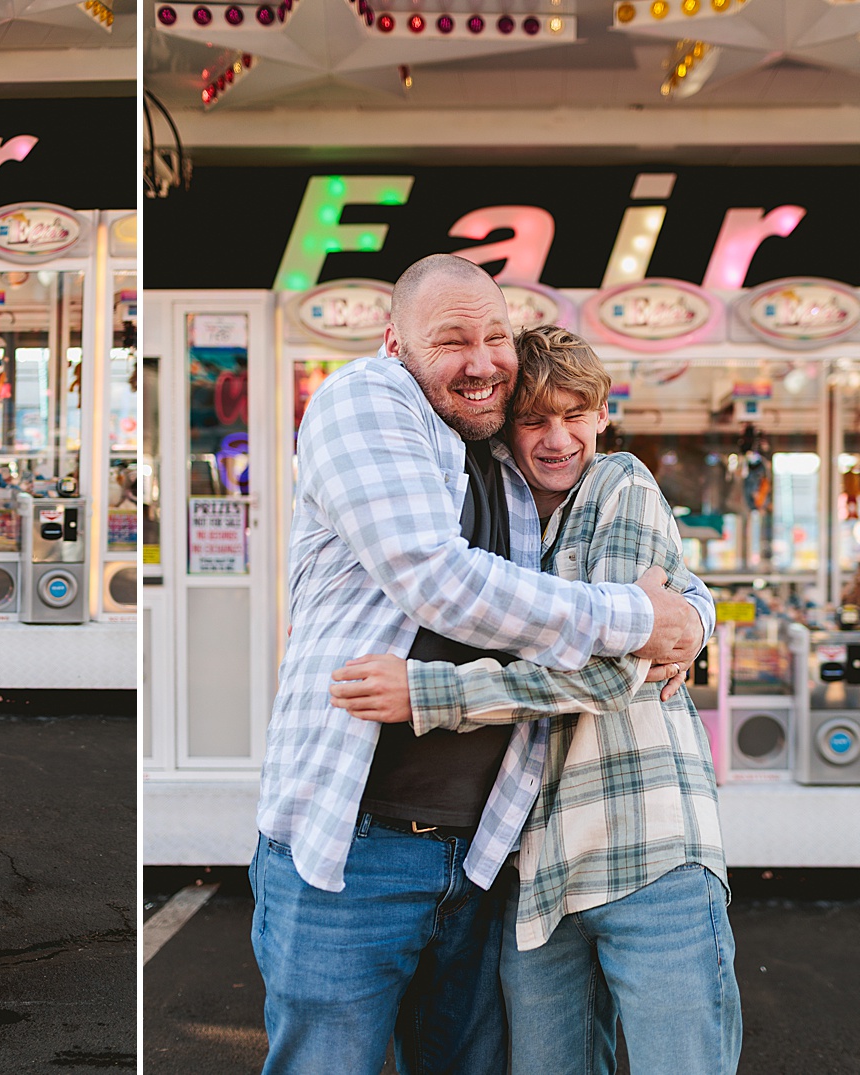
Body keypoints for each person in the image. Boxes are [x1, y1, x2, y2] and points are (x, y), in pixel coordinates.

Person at [252, 253, 709, 1075]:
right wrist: (642, 618)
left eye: (495, 336)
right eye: (452, 339)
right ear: (396, 344)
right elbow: (438, 578)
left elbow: (644, 573)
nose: (482, 360)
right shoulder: (367, 399)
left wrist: (692, 614)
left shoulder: (506, 454)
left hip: (486, 856)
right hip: (357, 845)